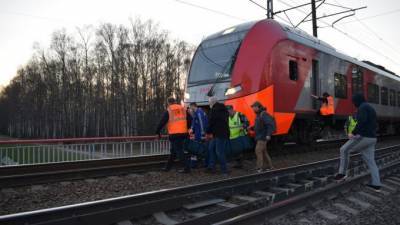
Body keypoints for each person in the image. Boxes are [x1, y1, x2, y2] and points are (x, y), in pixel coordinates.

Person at [334, 93, 381, 192]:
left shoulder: (362, 107)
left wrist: (353, 133)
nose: (353, 104)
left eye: (354, 102)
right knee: (371, 162)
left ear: (357, 101)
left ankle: (342, 174)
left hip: (364, 137)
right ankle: (376, 185)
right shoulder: (370, 108)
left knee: (344, 150)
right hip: (372, 138)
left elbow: (362, 121)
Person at [155, 97, 191, 173]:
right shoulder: (182, 108)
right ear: (175, 101)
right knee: (174, 151)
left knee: (179, 151)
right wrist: (187, 128)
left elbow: (162, 122)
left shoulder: (169, 110)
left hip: (175, 134)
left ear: (168, 102)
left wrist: (157, 131)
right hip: (183, 133)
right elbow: (190, 118)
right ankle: (167, 168)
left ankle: (187, 168)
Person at [205, 96, 230, 175]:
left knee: (219, 152)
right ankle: (211, 167)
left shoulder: (214, 110)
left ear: (212, 102)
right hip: (222, 133)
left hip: (219, 134)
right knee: (211, 148)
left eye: (209, 102)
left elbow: (211, 122)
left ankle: (224, 170)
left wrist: (207, 132)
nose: (209, 104)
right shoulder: (224, 109)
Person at [251, 101, 275, 173]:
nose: (253, 109)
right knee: (264, 152)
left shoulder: (263, 114)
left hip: (262, 136)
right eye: (253, 108)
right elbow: (259, 125)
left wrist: (268, 134)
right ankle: (270, 166)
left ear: (258, 107)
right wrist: (252, 128)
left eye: (254, 107)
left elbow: (269, 125)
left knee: (258, 150)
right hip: (260, 136)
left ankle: (259, 168)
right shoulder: (259, 115)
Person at [188, 102, 208, 167]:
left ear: (193, 106)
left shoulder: (199, 113)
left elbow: (202, 124)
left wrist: (203, 134)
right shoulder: (197, 113)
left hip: (200, 135)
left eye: (190, 107)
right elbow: (195, 123)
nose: (190, 109)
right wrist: (191, 129)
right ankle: (198, 164)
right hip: (198, 135)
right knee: (199, 149)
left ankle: (196, 164)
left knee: (199, 149)